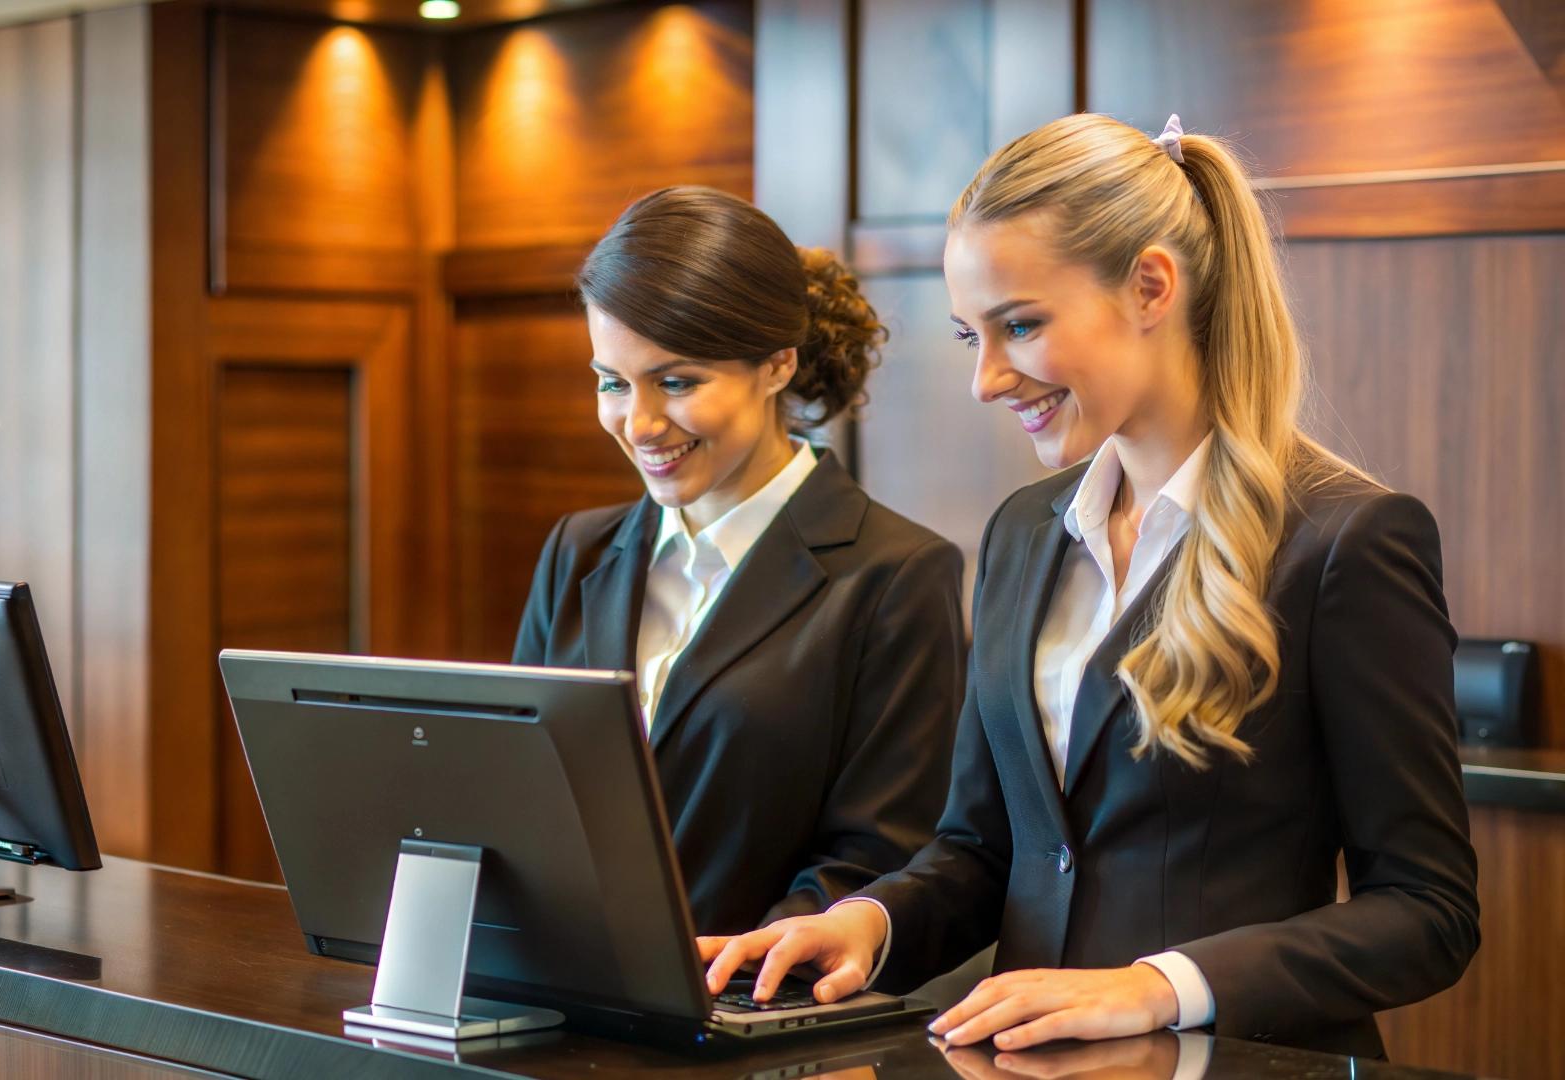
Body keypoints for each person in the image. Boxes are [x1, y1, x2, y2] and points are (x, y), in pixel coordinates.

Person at [699, 115, 1478, 1058]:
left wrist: (1159, 988)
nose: (986, 380)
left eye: (1020, 326)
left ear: (1151, 285)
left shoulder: (1348, 540)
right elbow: (985, 850)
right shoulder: (1024, 531)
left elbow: (1429, 912)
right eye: (968, 336)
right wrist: (873, 923)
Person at [513, 186, 967, 936]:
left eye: (677, 381)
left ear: (778, 365)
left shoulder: (897, 575)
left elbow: (881, 858)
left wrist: (741, 972)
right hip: (560, 1001)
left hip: (752, 1017)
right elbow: (521, 788)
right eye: (612, 383)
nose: (640, 423)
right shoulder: (577, 551)